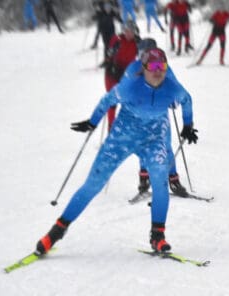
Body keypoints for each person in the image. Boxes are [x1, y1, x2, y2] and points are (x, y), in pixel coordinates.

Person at [35, 48, 199, 256]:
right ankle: (56, 231)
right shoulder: (130, 86)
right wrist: (92, 122)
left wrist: (188, 125)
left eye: (162, 66)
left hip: (154, 138)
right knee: (93, 183)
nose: (158, 71)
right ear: (144, 69)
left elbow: (187, 100)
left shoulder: (172, 88)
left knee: (159, 179)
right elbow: (108, 100)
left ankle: (158, 236)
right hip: (122, 137)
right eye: (153, 67)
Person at [122, 38, 191, 197]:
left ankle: (173, 180)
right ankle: (144, 179)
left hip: (160, 113)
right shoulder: (135, 68)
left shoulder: (162, 66)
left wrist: (173, 99)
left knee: (165, 145)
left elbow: (174, 84)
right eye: (142, 53)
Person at [101, 20, 140, 131]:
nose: (129, 34)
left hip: (126, 75)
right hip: (112, 75)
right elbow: (108, 55)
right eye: (127, 31)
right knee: (113, 102)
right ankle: (111, 130)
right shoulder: (117, 40)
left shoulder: (137, 42)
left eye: (131, 31)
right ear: (123, 31)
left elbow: (145, 56)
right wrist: (109, 58)